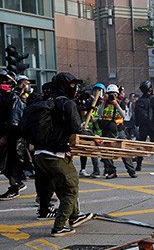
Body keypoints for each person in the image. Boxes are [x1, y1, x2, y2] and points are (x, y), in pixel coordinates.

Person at [30, 73, 93, 236]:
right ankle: (60, 226)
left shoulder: (45, 102)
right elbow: (75, 129)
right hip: (56, 154)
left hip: (39, 155)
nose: (75, 88)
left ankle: (75, 215)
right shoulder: (67, 104)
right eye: (72, 85)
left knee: (62, 185)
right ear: (65, 86)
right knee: (71, 189)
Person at [98, 84, 137, 178]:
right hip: (107, 131)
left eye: (114, 94)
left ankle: (131, 171)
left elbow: (124, 115)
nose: (112, 96)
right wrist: (104, 102)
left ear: (117, 94)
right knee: (106, 152)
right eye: (110, 94)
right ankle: (111, 171)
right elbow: (100, 113)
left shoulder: (121, 103)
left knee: (124, 150)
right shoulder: (105, 103)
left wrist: (116, 104)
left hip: (119, 130)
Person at [0, 70, 26, 199]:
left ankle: (15, 186)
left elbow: (14, 122)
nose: (3, 84)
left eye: (6, 81)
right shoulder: (3, 96)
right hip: (5, 135)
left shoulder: (14, 98)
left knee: (9, 164)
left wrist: (5, 137)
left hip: (13, 137)